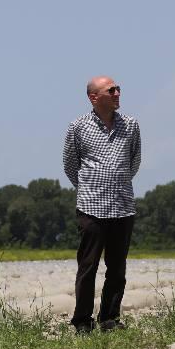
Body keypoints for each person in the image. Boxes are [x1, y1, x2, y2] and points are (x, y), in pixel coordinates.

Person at [63, 76, 141, 334]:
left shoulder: (131, 125)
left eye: (118, 88)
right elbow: (71, 166)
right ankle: (83, 321)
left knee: (117, 268)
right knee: (88, 267)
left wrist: (116, 183)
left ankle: (110, 318)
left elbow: (134, 162)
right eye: (111, 89)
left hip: (122, 206)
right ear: (94, 97)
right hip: (91, 207)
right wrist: (90, 188)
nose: (118, 92)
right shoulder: (78, 127)